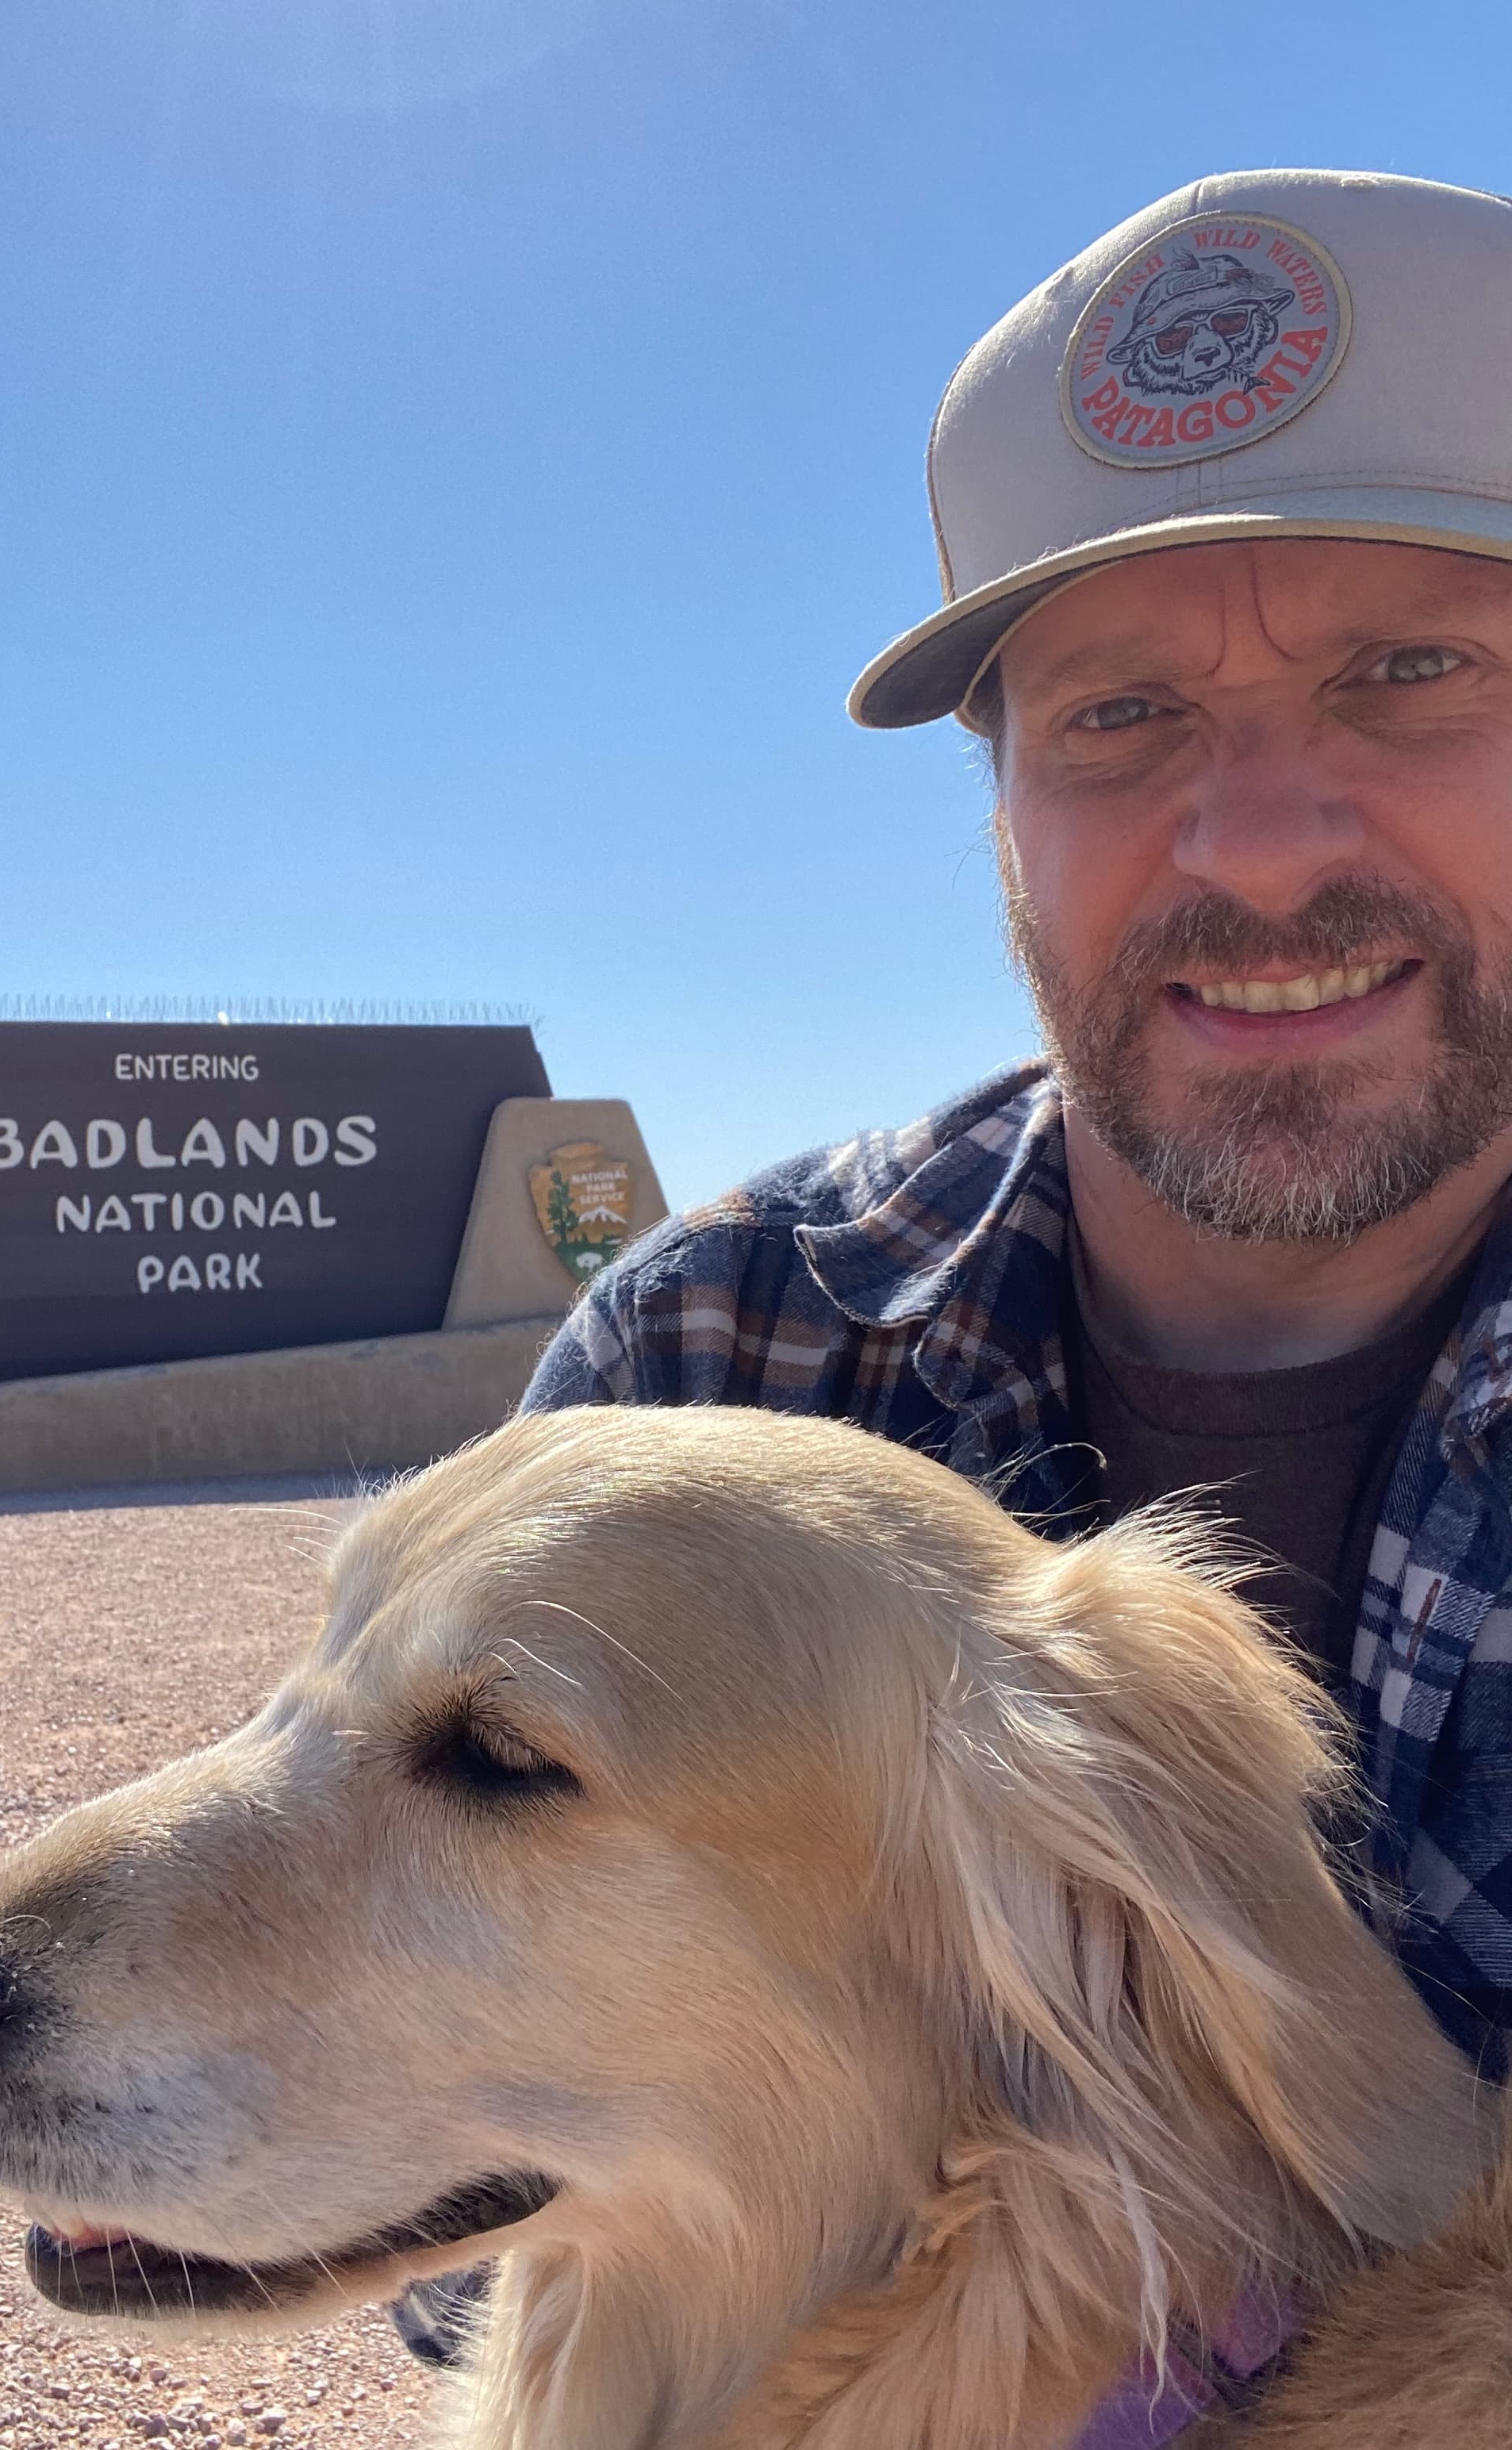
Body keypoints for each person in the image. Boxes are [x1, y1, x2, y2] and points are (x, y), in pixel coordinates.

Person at [394, 167, 1512, 2414]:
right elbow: (472, 2215)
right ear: (1000, 806)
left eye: (1408, 671)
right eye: (1116, 719)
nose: (1260, 840)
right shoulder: (719, 1341)